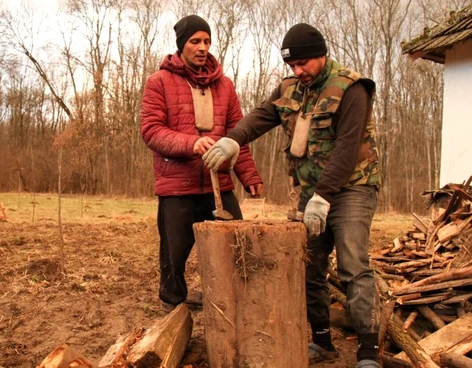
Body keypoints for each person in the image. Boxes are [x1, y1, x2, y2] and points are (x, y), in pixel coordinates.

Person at [203, 23, 381, 368]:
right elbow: (261, 116)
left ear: (321, 55)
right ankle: (323, 342)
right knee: (309, 266)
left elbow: (346, 149)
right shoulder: (290, 87)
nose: (298, 72)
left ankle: (369, 351)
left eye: (303, 64)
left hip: (353, 188)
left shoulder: (351, 88)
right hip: (310, 191)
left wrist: (324, 197)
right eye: (292, 66)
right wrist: (233, 139)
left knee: (353, 266)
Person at [140, 15, 264, 314]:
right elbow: (151, 131)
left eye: (206, 41)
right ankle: (173, 310)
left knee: (236, 248)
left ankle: (232, 304)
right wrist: (191, 144)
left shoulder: (225, 85)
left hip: (218, 185)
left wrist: (248, 174)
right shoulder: (159, 82)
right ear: (182, 44)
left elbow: (237, 134)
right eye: (195, 41)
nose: (202, 48)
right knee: (174, 255)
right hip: (176, 188)